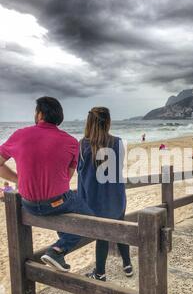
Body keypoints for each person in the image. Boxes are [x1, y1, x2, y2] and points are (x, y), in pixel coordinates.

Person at [0, 97, 93, 273]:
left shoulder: (19, 135)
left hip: (28, 204)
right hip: (56, 202)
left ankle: (59, 255)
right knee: (91, 217)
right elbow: (66, 176)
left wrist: (18, 180)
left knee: (64, 204)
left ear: (40, 114)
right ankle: (58, 250)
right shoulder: (71, 142)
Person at [78, 107, 133, 282]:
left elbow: (81, 174)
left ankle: (100, 272)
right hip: (116, 196)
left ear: (89, 122)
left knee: (102, 235)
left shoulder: (82, 145)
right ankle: (127, 264)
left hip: (94, 199)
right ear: (108, 122)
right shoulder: (119, 142)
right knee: (120, 228)